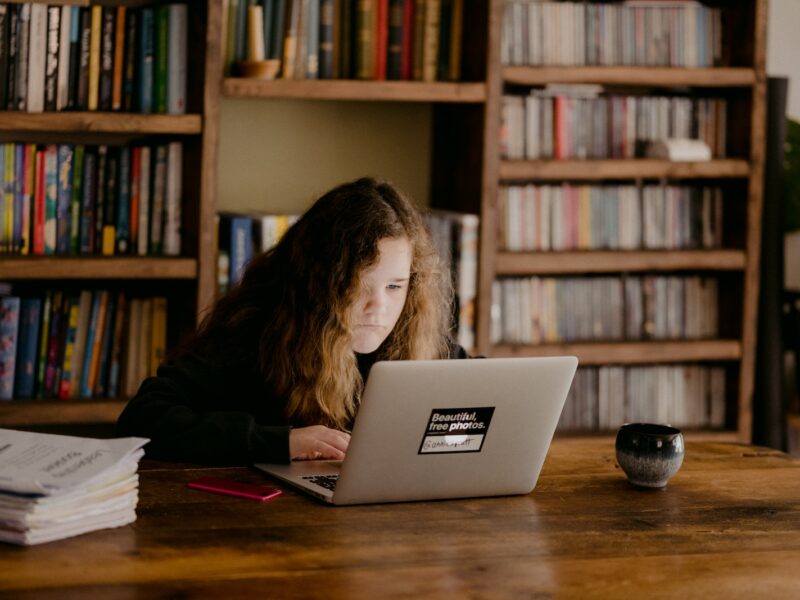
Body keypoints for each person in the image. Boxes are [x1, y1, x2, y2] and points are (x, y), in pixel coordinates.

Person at [116, 177, 470, 465]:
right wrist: (279, 443)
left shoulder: (415, 336)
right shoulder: (255, 332)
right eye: (358, 285)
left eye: (395, 286)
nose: (378, 307)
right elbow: (143, 419)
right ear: (319, 284)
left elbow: (491, 393)